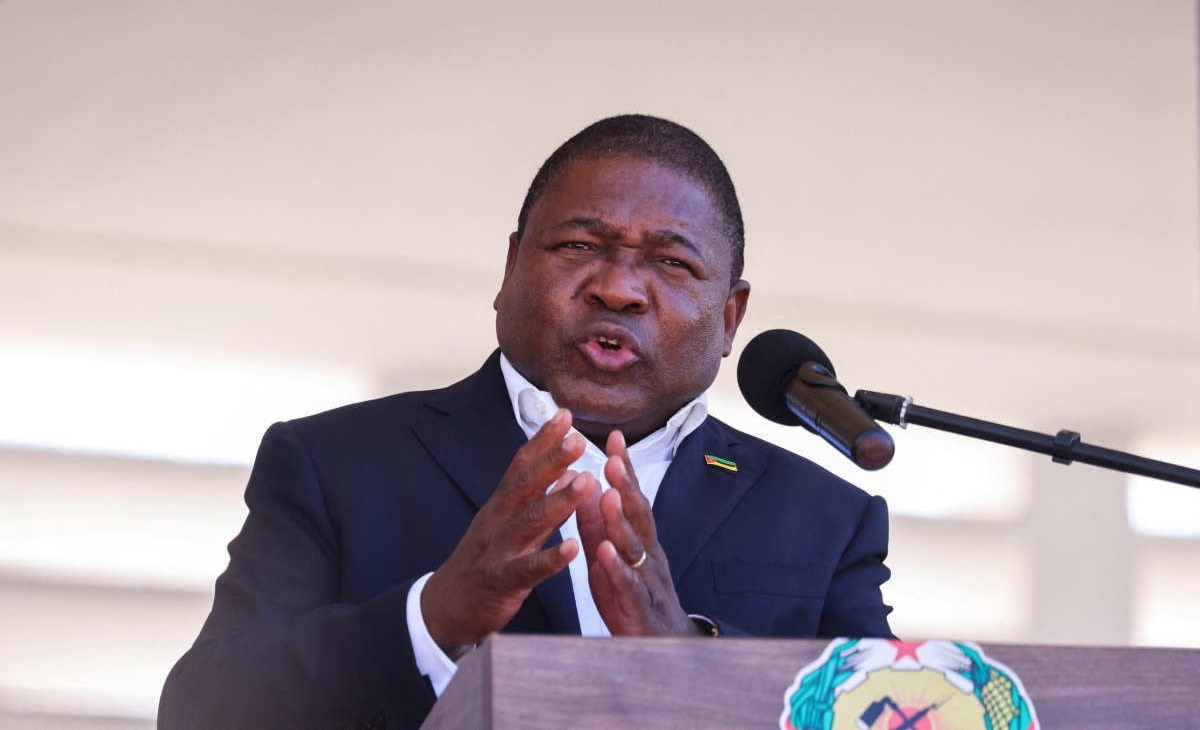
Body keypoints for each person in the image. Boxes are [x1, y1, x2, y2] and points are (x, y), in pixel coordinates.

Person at [158, 115, 893, 730]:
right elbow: (205, 709)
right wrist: (435, 614)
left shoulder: (825, 521)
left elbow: (891, 714)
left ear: (730, 316)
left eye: (671, 262)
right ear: (511, 267)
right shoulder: (335, 463)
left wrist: (688, 656)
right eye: (580, 246)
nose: (618, 288)